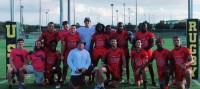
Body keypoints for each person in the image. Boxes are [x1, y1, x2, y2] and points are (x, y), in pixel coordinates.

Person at [133, 21, 157, 86]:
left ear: (147, 27)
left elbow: (152, 44)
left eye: (145, 26)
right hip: (139, 53)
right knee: (138, 65)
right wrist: (138, 49)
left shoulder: (150, 33)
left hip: (148, 53)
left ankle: (153, 81)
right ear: (140, 27)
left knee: (150, 66)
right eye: (142, 26)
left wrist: (144, 50)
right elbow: (134, 42)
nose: (143, 27)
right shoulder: (137, 34)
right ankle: (141, 79)